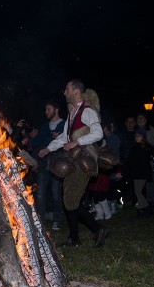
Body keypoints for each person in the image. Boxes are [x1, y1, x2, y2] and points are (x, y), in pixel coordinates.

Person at [38, 79, 109, 248]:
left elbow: (98, 133)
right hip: (73, 159)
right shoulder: (72, 114)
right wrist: (48, 149)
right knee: (70, 198)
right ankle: (75, 237)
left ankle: (97, 229)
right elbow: (64, 138)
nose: (64, 92)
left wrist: (77, 142)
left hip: (83, 159)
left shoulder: (87, 111)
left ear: (76, 91)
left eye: (67, 89)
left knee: (70, 200)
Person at [30, 100, 65, 230]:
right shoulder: (45, 126)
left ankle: (56, 220)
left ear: (56, 109)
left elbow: (68, 140)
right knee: (40, 193)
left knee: (56, 193)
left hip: (57, 164)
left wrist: (60, 136)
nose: (46, 112)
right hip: (43, 164)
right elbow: (36, 143)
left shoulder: (64, 125)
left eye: (48, 109)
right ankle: (41, 221)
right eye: (45, 110)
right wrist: (30, 137)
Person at [123, 129, 154, 217]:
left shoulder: (148, 147)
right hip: (136, 173)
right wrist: (124, 171)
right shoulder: (134, 147)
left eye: (139, 136)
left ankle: (147, 208)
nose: (136, 137)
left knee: (138, 192)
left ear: (143, 137)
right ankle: (141, 211)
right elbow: (129, 161)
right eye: (136, 136)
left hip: (143, 173)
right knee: (138, 192)